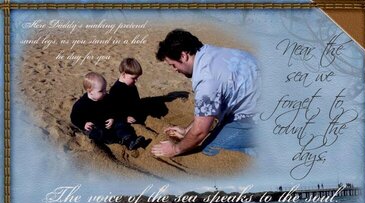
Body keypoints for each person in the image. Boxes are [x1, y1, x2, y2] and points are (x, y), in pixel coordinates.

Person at [151, 29, 259, 158]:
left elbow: (199, 133)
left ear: (183, 56)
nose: (174, 70)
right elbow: (210, 109)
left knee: (211, 149)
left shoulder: (206, 79)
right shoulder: (209, 52)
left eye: (173, 65)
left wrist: (175, 149)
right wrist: (187, 130)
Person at [70, 72, 145, 150]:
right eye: (101, 91)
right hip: (96, 126)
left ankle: (130, 141)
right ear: (90, 91)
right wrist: (84, 124)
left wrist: (112, 117)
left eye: (105, 89)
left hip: (109, 123)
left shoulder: (107, 98)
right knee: (96, 133)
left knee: (121, 125)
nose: (104, 92)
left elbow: (114, 108)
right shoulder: (81, 104)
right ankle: (118, 140)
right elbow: (74, 117)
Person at [109, 57, 143, 126]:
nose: (136, 80)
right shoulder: (115, 90)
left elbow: (137, 102)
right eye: (133, 78)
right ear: (123, 74)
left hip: (134, 116)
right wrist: (125, 118)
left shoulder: (132, 87)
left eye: (137, 78)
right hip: (122, 120)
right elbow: (113, 110)